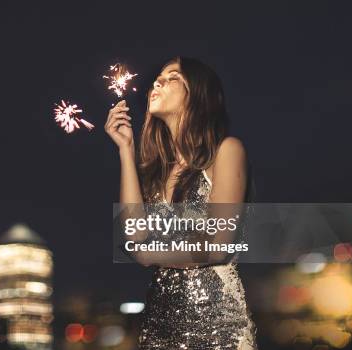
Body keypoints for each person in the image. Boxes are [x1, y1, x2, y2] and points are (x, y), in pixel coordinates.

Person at [105, 56, 257, 349]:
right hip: (157, 332)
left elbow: (218, 245)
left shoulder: (227, 151)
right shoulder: (156, 172)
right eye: (157, 77)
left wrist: (151, 253)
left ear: (198, 94)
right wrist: (125, 149)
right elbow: (134, 236)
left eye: (173, 76)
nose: (157, 82)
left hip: (218, 333)